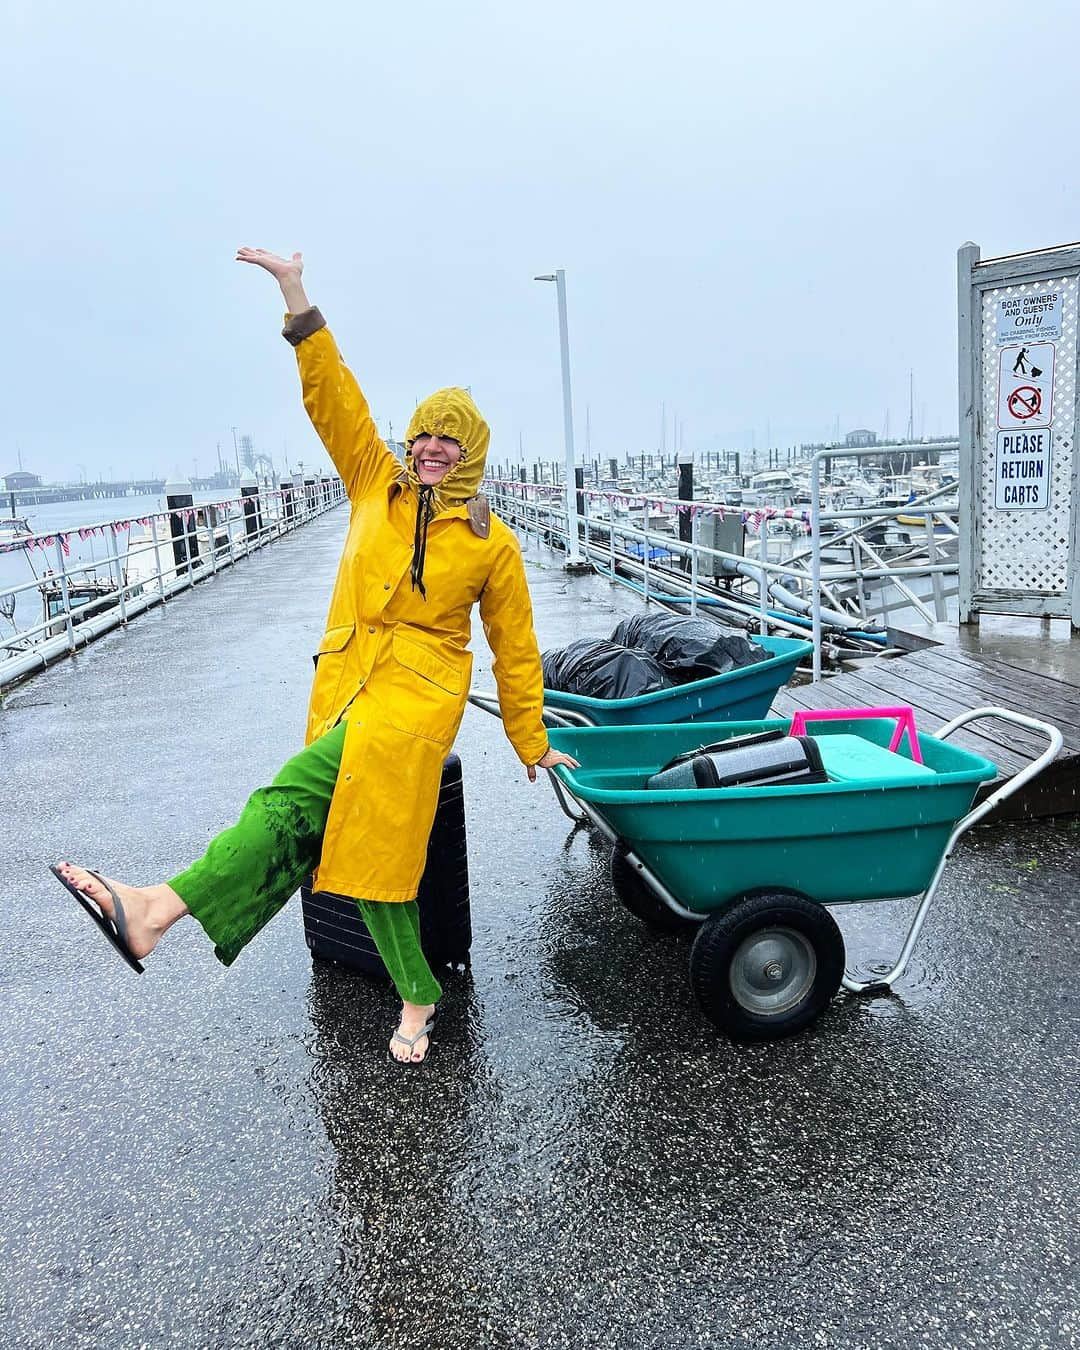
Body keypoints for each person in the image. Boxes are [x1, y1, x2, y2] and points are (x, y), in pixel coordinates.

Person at [50, 247, 579, 1065]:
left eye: (450, 438)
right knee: (354, 848)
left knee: (295, 797)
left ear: (471, 450)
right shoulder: (376, 481)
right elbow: (335, 398)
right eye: (425, 432)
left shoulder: (493, 544)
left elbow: (517, 648)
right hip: (349, 678)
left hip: (416, 700)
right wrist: (297, 298)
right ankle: (417, 994)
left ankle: (158, 909)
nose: (432, 446)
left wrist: (530, 738)